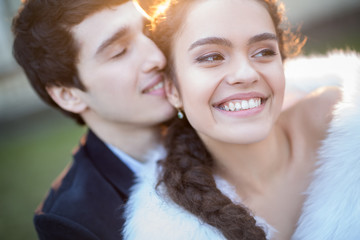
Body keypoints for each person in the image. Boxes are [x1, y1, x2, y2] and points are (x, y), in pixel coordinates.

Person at [123, 0, 360, 239]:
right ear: (173, 89)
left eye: (263, 52)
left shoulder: (349, 124)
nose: (246, 74)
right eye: (211, 57)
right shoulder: (168, 228)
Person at [12, 0, 174, 239]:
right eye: (120, 51)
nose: (158, 57)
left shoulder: (219, 123)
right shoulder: (72, 220)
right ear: (68, 95)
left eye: (149, 30)